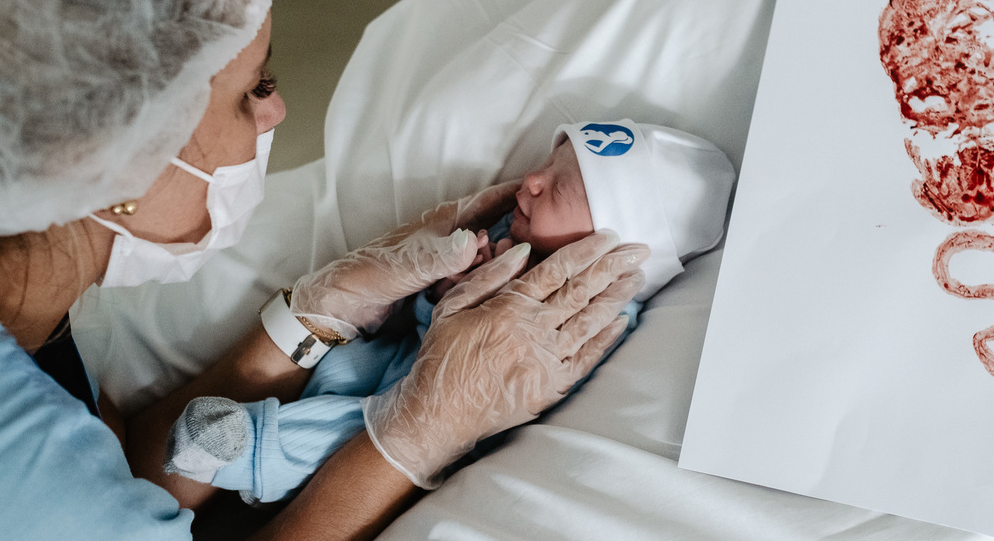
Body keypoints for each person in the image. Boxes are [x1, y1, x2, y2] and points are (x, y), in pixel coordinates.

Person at [0, 0, 645, 541]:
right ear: (106, 158)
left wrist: (313, 318)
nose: (277, 110)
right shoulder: (37, 519)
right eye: (251, 89)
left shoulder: (26, 302)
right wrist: (411, 440)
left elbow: (118, 474)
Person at [164, 120, 737, 503]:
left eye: (558, 189)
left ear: (612, 249)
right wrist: (443, 289)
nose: (531, 180)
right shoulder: (504, 236)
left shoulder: (596, 314)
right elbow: (426, 318)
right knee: (341, 370)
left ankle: (247, 450)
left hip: (441, 410)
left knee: (361, 425)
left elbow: (525, 383)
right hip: (403, 354)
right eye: (546, 165)